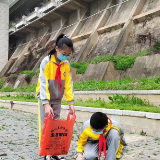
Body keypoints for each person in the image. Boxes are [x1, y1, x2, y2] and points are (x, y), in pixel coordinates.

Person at [36, 34, 75, 160]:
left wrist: (70, 103)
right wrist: (46, 104)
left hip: (57, 99)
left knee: (55, 126)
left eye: (68, 54)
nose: (66, 56)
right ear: (57, 49)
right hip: (45, 99)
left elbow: (68, 85)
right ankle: (45, 153)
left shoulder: (66, 64)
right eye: (64, 53)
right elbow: (43, 83)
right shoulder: (46, 62)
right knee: (46, 125)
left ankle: (52, 152)